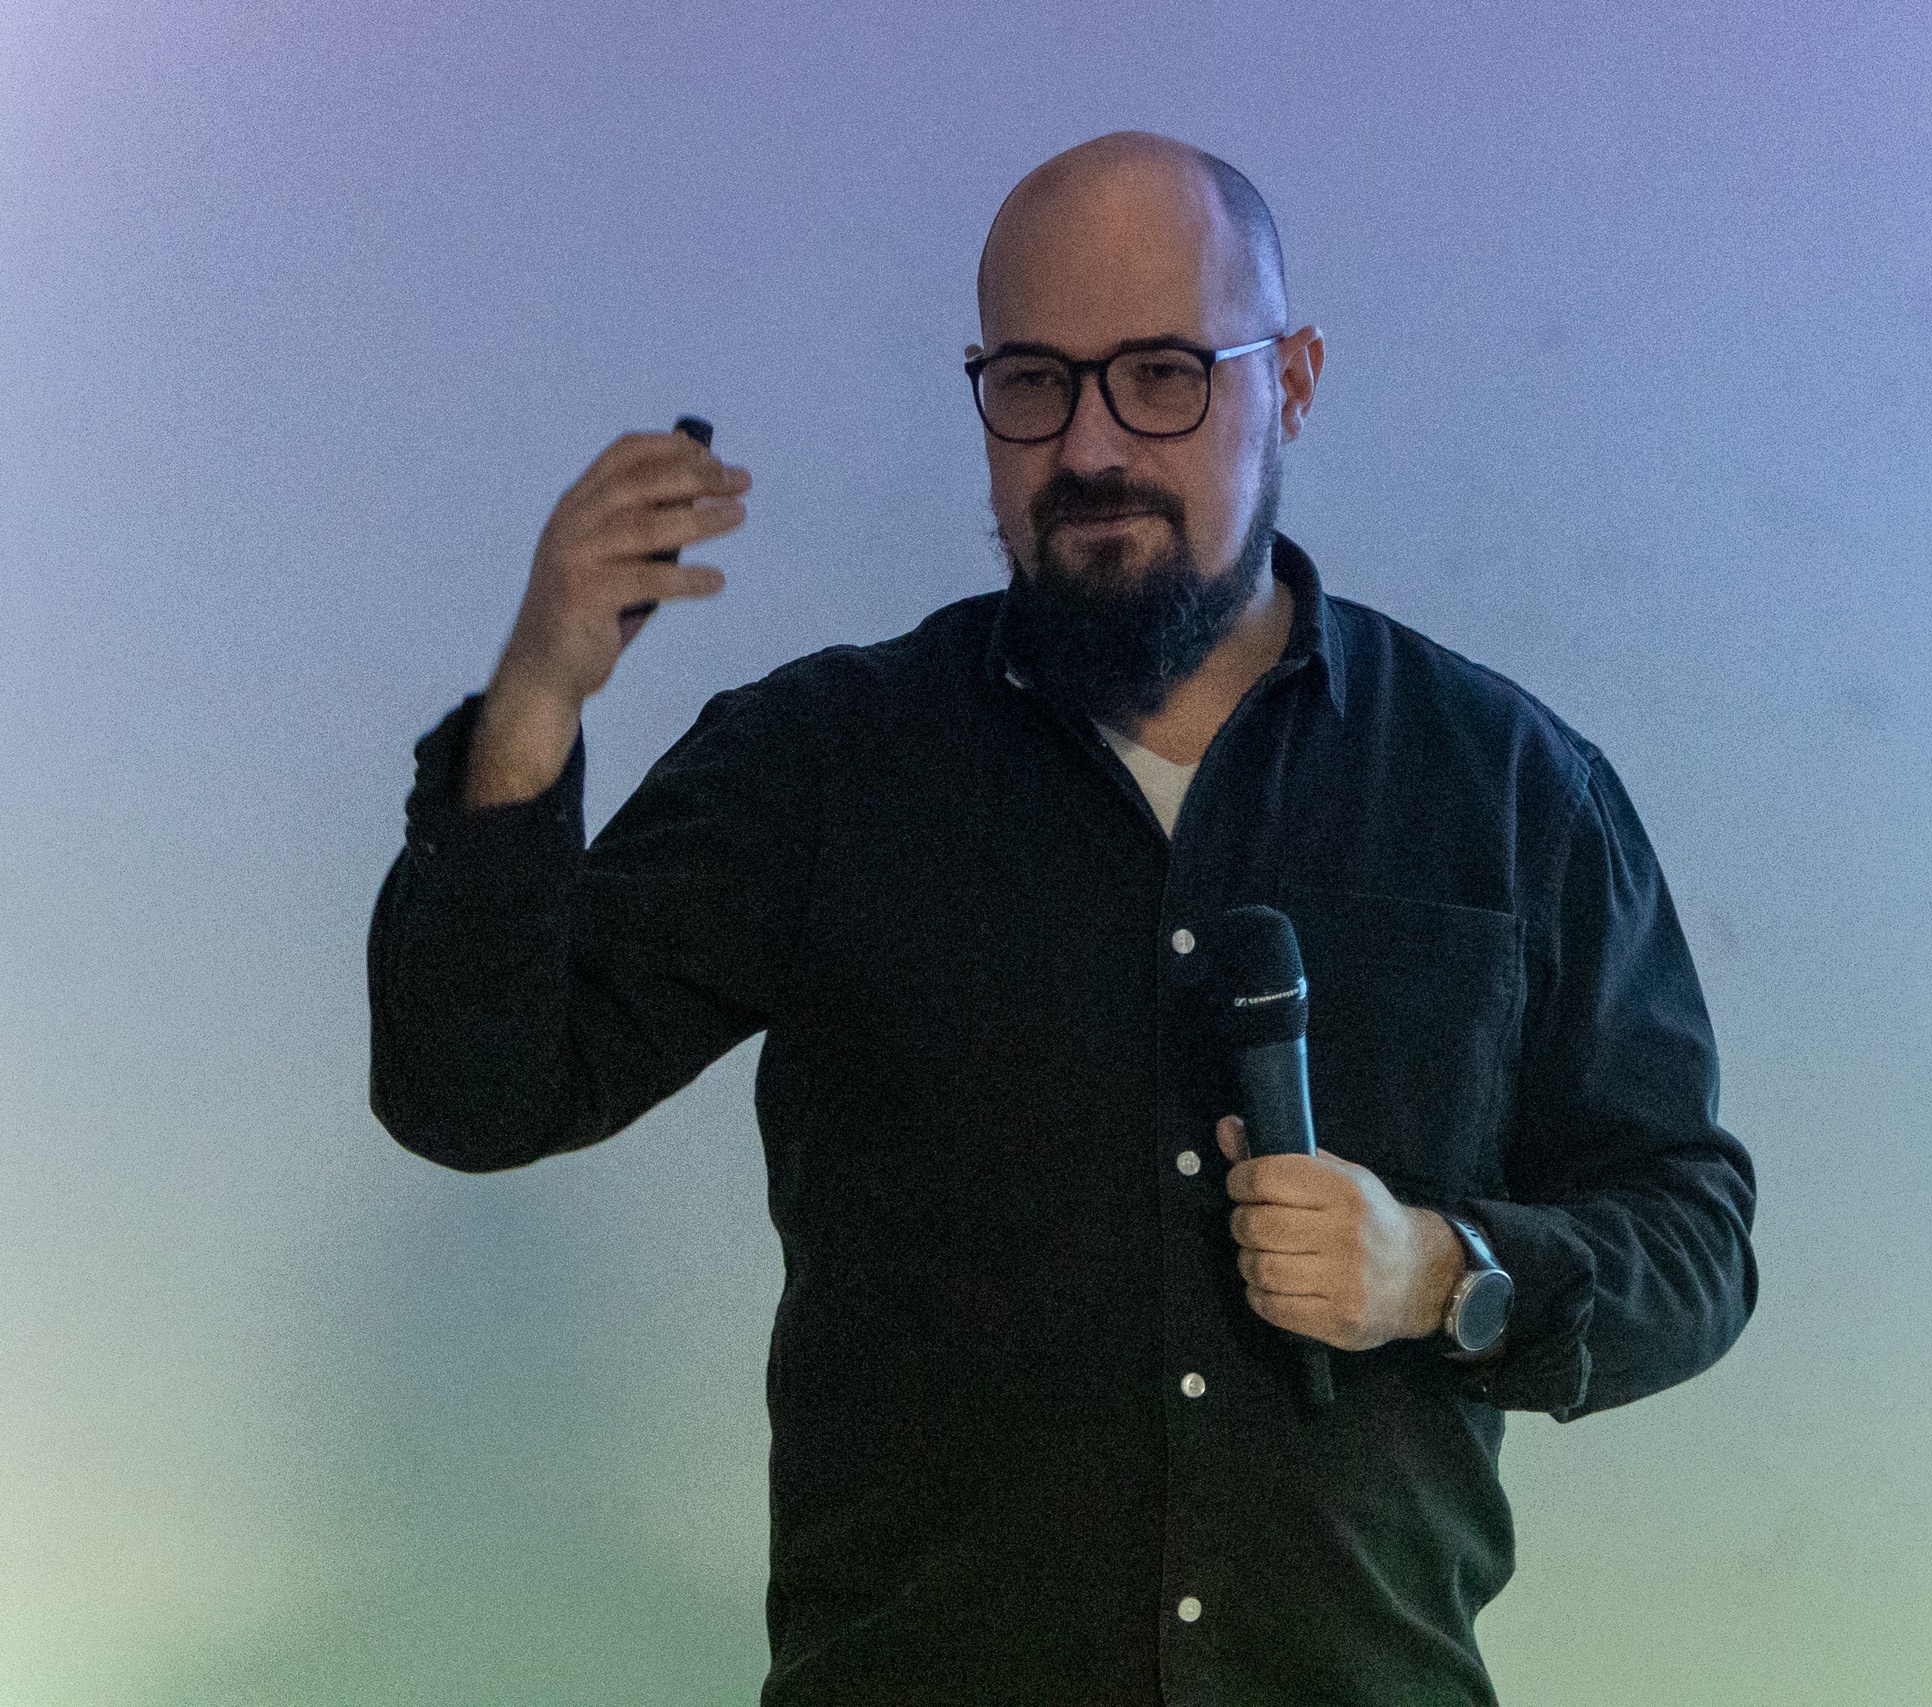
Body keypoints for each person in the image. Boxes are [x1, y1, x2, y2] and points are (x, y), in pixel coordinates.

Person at [369, 130, 1756, 1707]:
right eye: (1032, 382)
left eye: (1163, 375)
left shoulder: (1503, 785)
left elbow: (1692, 1232)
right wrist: (535, 699)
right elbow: (473, 1094)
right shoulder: (823, 763)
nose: (1090, 444)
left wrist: (1444, 1273)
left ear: (1292, 382)